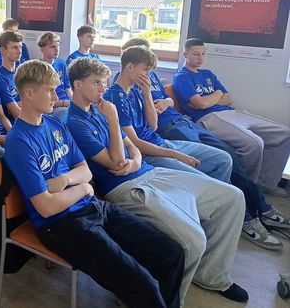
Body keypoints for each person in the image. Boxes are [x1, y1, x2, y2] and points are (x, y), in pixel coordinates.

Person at [3, 59, 185, 308]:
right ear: (29, 93)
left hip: (92, 207)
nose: (56, 96)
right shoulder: (18, 141)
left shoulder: (54, 123)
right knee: (143, 284)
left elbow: (85, 170)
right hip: (61, 225)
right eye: (50, 90)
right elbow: (46, 206)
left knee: (171, 253)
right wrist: (83, 188)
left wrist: (67, 180)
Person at [65, 57, 248, 302]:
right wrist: (113, 120)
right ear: (78, 85)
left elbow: (132, 145)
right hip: (126, 187)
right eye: (96, 83)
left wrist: (136, 160)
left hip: (148, 171)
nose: (102, 88)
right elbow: (116, 162)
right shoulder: (74, 121)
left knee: (233, 197)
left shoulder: (99, 109)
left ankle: (210, 274)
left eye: (104, 82)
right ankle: (166, 300)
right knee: (193, 241)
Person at [118, 37, 289, 249]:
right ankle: (247, 216)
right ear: (129, 64)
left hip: (184, 121)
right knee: (221, 160)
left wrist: (166, 102)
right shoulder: (127, 87)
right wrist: (151, 103)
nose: (148, 69)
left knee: (228, 155)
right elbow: (143, 126)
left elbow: (170, 99)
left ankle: (258, 207)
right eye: (144, 65)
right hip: (168, 129)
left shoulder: (151, 77)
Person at [174, 38, 290, 197]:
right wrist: (216, 94)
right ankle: (249, 190)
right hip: (208, 117)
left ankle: (267, 183)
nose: (200, 58)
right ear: (185, 54)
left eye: (203, 54)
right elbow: (201, 105)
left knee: (284, 133)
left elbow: (228, 99)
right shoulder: (182, 77)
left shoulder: (208, 74)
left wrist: (211, 98)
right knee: (254, 143)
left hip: (231, 112)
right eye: (196, 54)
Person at [104, 46, 233, 182]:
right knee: (203, 179)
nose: (148, 75)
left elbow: (153, 126)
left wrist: (147, 94)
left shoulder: (136, 90)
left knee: (224, 159)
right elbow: (134, 142)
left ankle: (219, 193)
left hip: (161, 142)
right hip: (148, 153)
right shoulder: (115, 97)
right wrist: (175, 155)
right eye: (145, 69)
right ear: (130, 67)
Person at [36, 31, 71, 118]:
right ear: (42, 49)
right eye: (52, 47)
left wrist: (76, 102)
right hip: (52, 105)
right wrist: (64, 103)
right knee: (66, 113)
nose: (57, 49)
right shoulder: (38, 68)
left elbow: (68, 89)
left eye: (58, 46)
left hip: (66, 101)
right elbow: (40, 100)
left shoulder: (62, 64)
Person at [0, 30, 23, 122]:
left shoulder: (21, 71)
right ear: (2, 50)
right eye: (15, 47)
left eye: (20, 47)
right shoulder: (0, 79)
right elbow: (16, 113)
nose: (19, 51)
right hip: (15, 123)